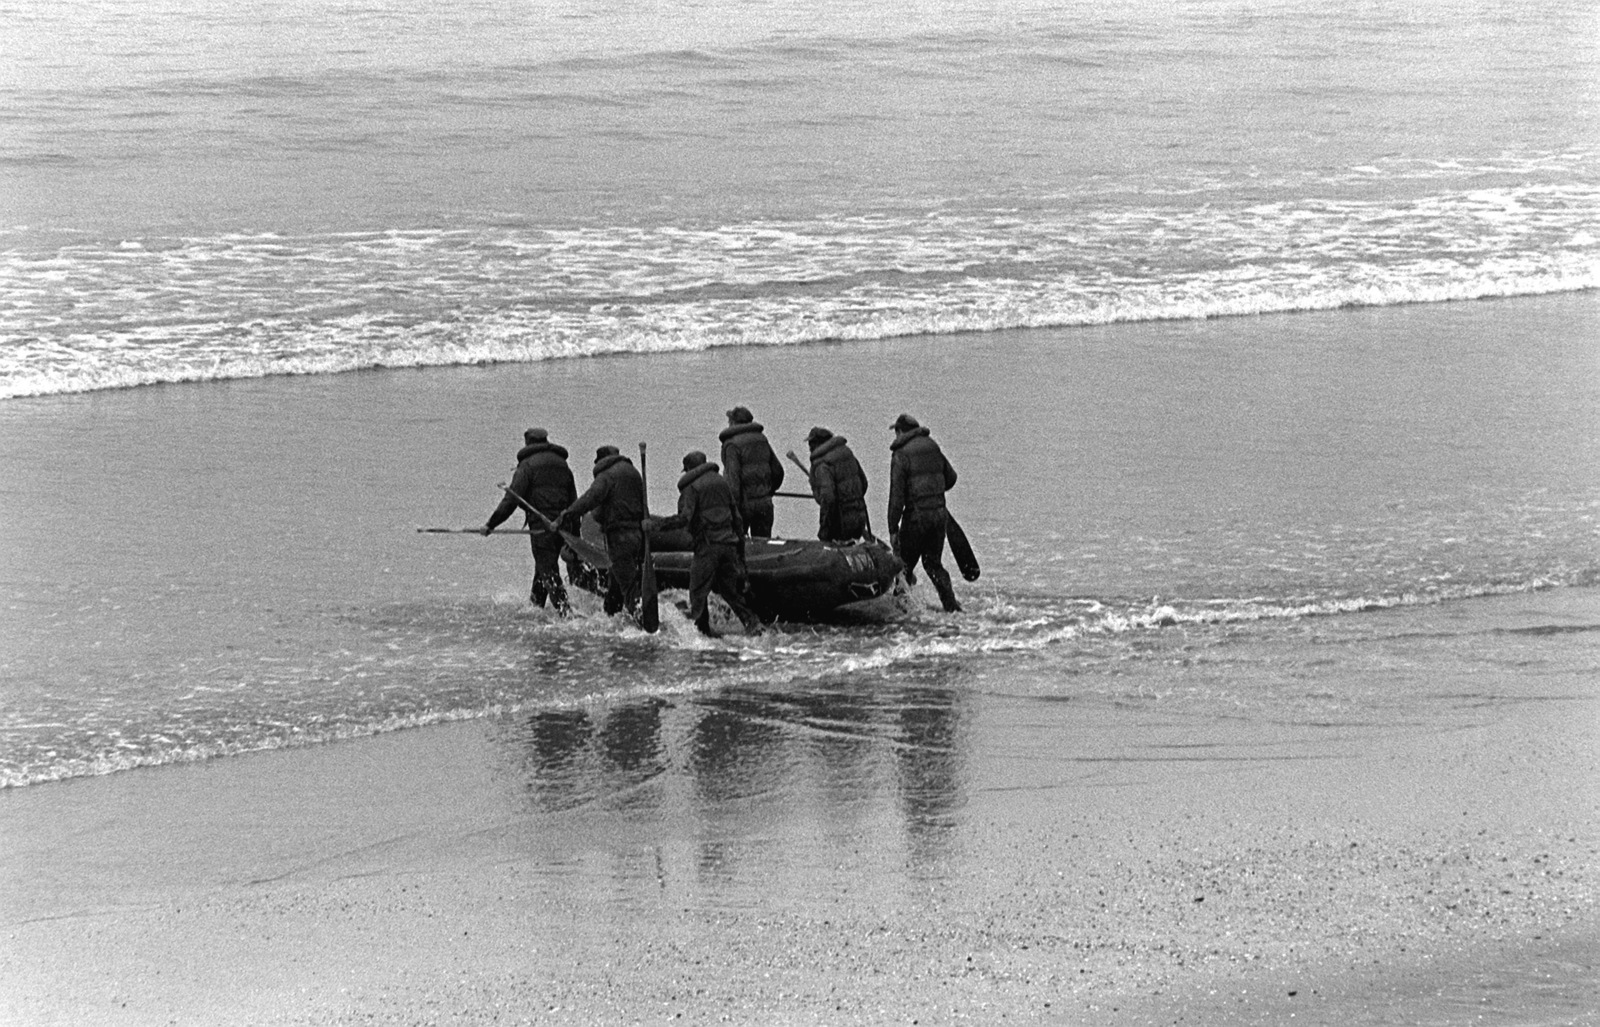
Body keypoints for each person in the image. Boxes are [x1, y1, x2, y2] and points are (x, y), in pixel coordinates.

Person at [651, 451, 762, 638]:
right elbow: (737, 518)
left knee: (697, 591)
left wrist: (657, 526)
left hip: (708, 548)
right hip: (729, 545)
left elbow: (684, 518)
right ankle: (754, 625)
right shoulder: (722, 482)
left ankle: (702, 633)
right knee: (730, 592)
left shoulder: (692, 488)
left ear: (689, 469)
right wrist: (740, 551)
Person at [482, 428, 577, 614]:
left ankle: (567, 616)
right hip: (563, 526)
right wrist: (574, 534)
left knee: (548, 571)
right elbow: (574, 502)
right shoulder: (563, 465)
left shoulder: (527, 466)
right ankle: (535, 608)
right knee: (542, 568)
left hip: (542, 529)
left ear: (528, 443)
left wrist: (490, 525)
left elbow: (511, 499)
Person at [887, 413, 962, 613]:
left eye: (896, 432)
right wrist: (932, 492)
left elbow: (896, 497)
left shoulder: (900, 454)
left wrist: (893, 528)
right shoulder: (933, 446)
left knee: (903, 568)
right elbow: (951, 478)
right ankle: (951, 607)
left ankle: (899, 610)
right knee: (933, 564)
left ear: (900, 431)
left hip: (916, 518)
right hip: (939, 516)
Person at [560, 445, 646, 618]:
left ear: (601, 460)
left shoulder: (607, 475)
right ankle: (611, 615)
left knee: (628, 586)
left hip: (619, 537)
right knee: (616, 582)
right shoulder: (634, 473)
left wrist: (566, 514)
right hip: (638, 536)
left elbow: (591, 499)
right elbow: (641, 504)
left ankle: (642, 619)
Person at [718, 406, 785, 538]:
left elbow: (733, 481)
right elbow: (778, 471)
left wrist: (732, 509)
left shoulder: (732, 444)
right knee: (763, 545)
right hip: (765, 503)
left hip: (744, 505)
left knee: (737, 544)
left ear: (732, 422)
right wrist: (768, 491)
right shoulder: (762, 439)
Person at [805, 426, 870, 543]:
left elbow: (828, 498)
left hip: (840, 523)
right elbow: (863, 484)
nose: (809, 448)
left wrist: (824, 532)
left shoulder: (822, 465)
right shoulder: (848, 454)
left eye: (811, 444)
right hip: (860, 517)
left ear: (817, 444)